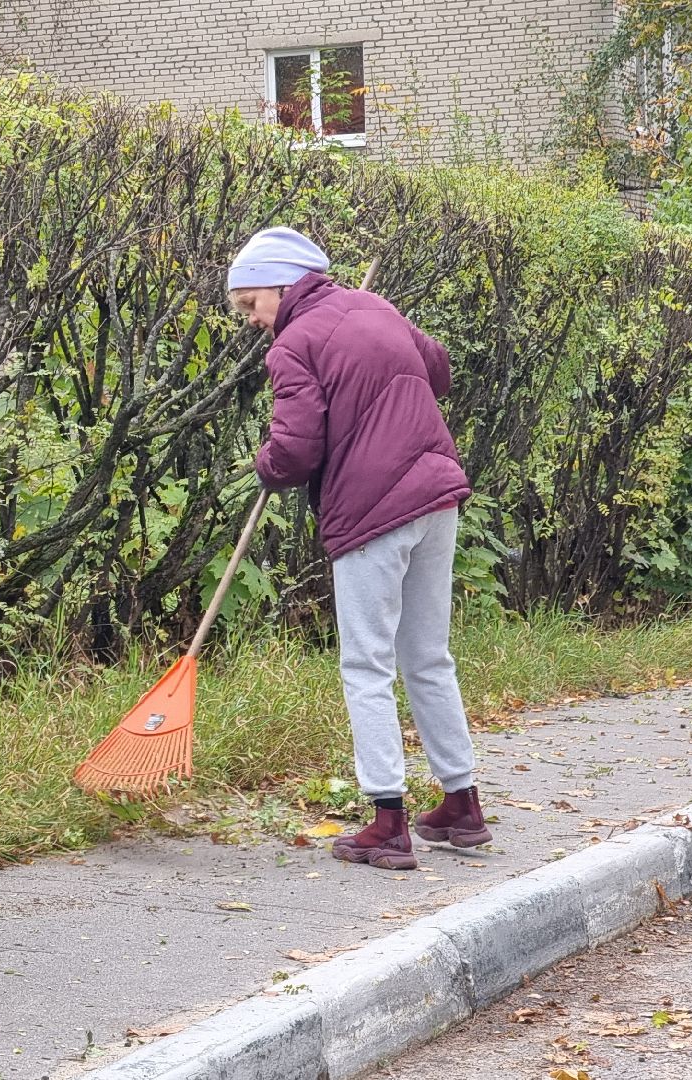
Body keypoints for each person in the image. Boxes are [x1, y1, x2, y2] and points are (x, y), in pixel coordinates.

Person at [227, 226, 490, 871]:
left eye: (250, 304)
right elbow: (439, 371)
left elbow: (295, 450)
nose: (251, 321)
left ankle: (388, 822)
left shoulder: (295, 342)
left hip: (373, 511)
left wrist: (265, 466)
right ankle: (462, 805)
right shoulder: (375, 308)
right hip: (437, 499)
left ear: (282, 286)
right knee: (428, 655)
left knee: (366, 665)